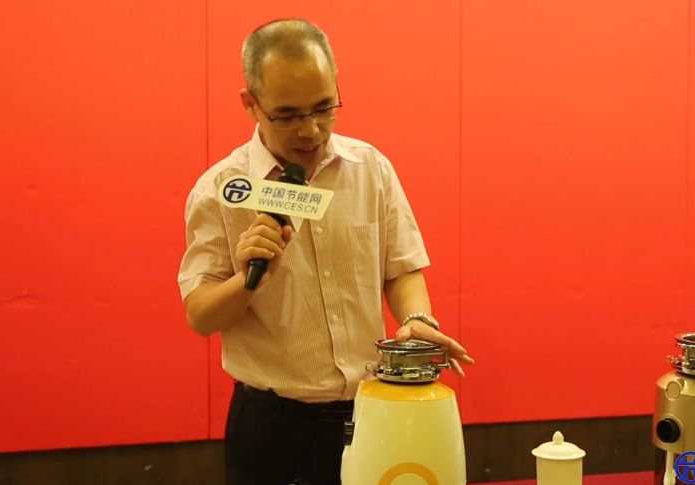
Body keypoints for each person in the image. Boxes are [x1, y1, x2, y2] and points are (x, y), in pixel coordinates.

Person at [177, 18, 474, 485]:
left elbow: (401, 268)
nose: (311, 130)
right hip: (271, 429)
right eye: (288, 115)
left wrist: (417, 319)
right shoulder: (220, 191)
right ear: (251, 104)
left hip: (372, 413)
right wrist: (247, 279)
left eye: (324, 107)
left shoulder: (369, 169)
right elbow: (200, 315)